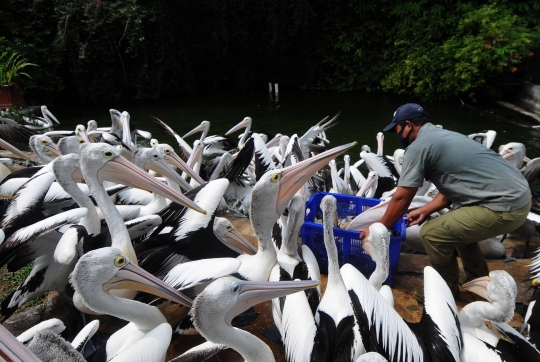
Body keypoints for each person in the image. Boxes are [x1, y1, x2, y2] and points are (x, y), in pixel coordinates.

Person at [360, 103, 531, 300]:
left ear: (408, 125)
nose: (396, 134)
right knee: (456, 231)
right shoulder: (447, 137)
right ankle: (478, 283)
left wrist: (377, 228)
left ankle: (445, 294)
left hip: (503, 206)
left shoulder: (418, 147)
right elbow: (453, 185)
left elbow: (401, 199)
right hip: (518, 199)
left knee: (432, 234)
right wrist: (426, 209)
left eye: (396, 129)